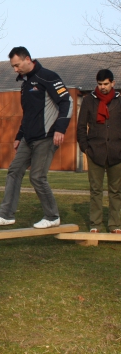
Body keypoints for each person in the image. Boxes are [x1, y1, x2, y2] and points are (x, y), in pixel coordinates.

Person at [0, 46, 73, 228]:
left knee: (37, 177)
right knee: (14, 171)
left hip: (47, 137)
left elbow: (67, 102)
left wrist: (60, 129)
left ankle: (52, 217)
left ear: (28, 59)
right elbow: (28, 114)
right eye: (13, 67)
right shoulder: (25, 84)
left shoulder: (48, 76)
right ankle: (6, 215)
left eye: (17, 65)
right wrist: (19, 135)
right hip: (28, 138)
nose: (15, 70)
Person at [77, 69, 121, 234]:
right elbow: (81, 127)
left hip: (117, 153)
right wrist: (85, 148)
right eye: (100, 84)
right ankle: (95, 224)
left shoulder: (119, 101)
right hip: (95, 152)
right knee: (95, 189)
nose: (102, 87)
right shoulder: (89, 101)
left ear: (112, 83)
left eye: (106, 84)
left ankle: (115, 225)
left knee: (115, 191)